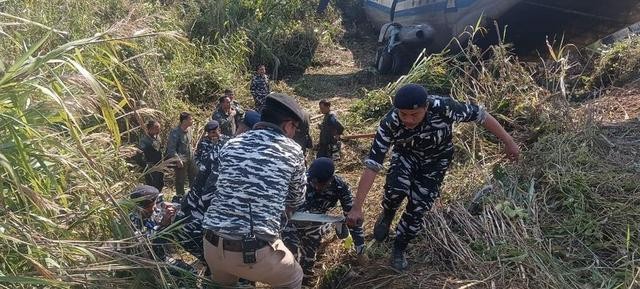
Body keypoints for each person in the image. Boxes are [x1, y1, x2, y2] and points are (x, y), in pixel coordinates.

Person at [345, 84, 520, 271]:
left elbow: (481, 115)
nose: (408, 120)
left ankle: (399, 247)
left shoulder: (444, 108)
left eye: (414, 115)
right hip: (406, 155)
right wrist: (357, 207)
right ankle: (388, 213)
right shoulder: (390, 122)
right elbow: (372, 164)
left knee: (418, 207)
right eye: (404, 114)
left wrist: (509, 141)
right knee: (395, 188)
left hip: (436, 161)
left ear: (426, 107)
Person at [202, 93, 306, 288]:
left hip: (212, 246)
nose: (294, 133)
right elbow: (297, 198)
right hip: (252, 253)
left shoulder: (230, 144)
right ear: (287, 125)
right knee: (294, 277)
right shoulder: (292, 150)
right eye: (295, 128)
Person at [283, 158, 365, 285]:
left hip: (318, 219)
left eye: (321, 184)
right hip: (294, 219)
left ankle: (305, 277)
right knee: (290, 249)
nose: (316, 187)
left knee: (311, 244)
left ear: (331, 179)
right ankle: (289, 279)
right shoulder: (300, 180)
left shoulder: (340, 186)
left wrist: (360, 249)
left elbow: (353, 217)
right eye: (314, 183)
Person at [173, 120, 230, 262]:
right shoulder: (204, 142)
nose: (214, 134)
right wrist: (201, 167)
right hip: (203, 179)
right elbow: (197, 157)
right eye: (211, 132)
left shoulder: (228, 142)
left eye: (216, 131)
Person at [128, 185, 193, 271]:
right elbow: (147, 245)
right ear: (140, 207)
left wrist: (174, 208)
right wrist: (162, 226)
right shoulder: (132, 222)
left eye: (154, 203)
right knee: (189, 271)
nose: (154, 208)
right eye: (150, 206)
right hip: (148, 261)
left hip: (163, 251)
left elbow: (164, 209)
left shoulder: (152, 210)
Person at [166, 112, 195, 201]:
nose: (192, 121)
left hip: (191, 158)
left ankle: (193, 195)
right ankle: (180, 198)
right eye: (190, 119)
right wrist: (178, 160)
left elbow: (190, 143)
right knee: (180, 181)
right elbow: (171, 149)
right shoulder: (175, 132)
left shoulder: (189, 130)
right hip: (181, 161)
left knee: (194, 177)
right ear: (184, 121)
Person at [138, 120, 164, 192]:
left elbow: (159, 148)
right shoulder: (145, 140)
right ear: (150, 129)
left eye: (159, 128)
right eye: (156, 128)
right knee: (152, 184)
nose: (158, 130)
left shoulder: (157, 137)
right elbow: (140, 153)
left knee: (160, 182)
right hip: (150, 165)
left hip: (159, 164)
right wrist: (146, 164)